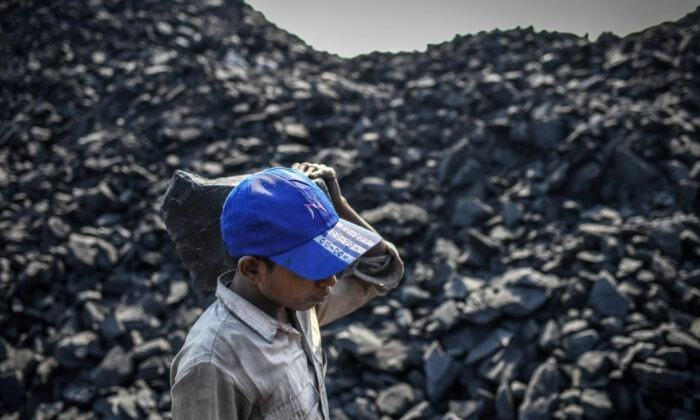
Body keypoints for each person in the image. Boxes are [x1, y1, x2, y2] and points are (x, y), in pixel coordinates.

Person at [170, 162, 404, 419]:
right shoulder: (214, 364)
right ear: (251, 269)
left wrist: (337, 204)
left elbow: (382, 269)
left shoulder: (298, 305)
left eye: (330, 261)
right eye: (312, 265)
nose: (331, 280)